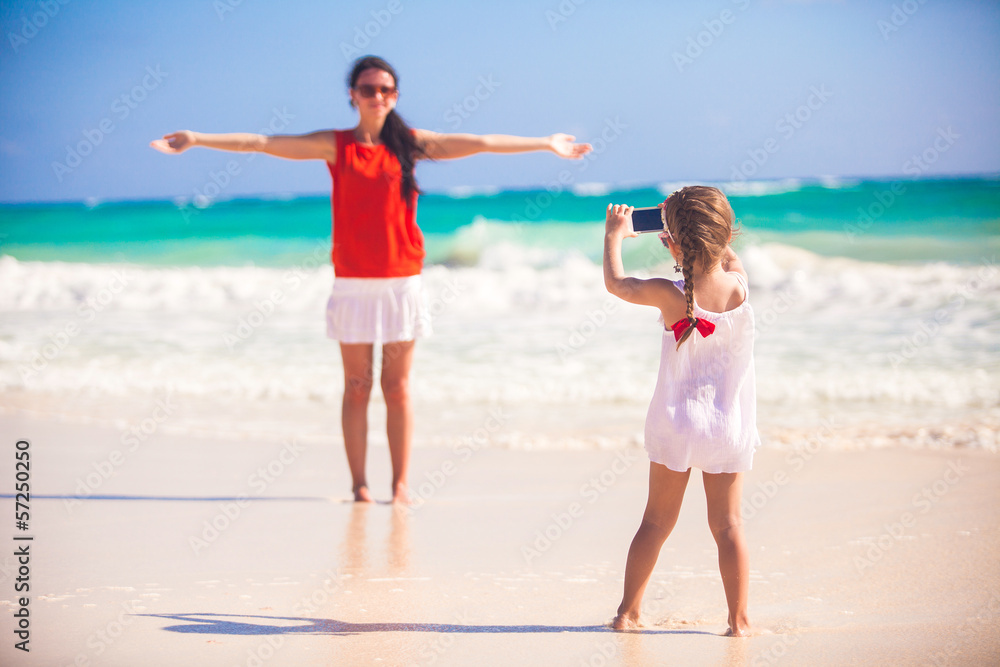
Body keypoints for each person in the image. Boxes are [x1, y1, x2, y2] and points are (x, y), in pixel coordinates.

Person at [151, 55, 591, 504]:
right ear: (353, 95)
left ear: (395, 95)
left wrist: (544, 143)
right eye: (367, 89)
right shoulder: (335, 145)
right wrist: (196, 139)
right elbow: (263, 142)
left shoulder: (410, 143)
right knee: (357, 387)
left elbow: (479, 142)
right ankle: (360, 485)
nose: (377, 96)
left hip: (401, 282)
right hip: (353, 283)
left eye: (385, 89)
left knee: (396, 387)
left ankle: (400, 486)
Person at [602, 186, 759, 635]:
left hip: (676, 422)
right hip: (727, 425)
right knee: (728, 526)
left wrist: (615, 235)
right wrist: (700, 233)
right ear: (723, 234)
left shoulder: (668, 294)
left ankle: (628, 613)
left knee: (654, 522)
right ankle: (739, 621)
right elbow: (729, 259)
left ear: (670, 242)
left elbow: (617, 284)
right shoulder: (738, 289)